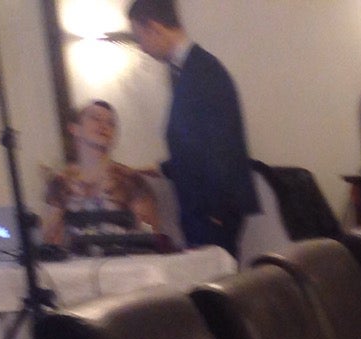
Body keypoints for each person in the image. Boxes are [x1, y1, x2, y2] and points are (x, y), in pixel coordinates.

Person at [126, 0, 257, 251]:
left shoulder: (203, 71)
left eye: (139, 37)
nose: (142, 47)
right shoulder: (190, 69)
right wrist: (161, 168)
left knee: (215, 274)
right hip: (205, 208)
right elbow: (196, 143)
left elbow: (222, 143)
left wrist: (217, 211)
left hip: (211, 210)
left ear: (154, 28)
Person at [39, 101, 161, 247]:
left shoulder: (130, 179)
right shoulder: (60, 182)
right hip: (76, 260)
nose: (104, 125)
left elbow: (151, 236)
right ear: (75, 129)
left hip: (125, 258)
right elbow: (50, 239)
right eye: (95, 118)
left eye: (111, 123)